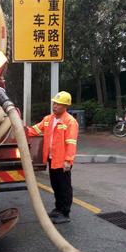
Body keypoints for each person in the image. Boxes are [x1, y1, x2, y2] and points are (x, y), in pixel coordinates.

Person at [26, 91, 79, 224]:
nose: (55, 106)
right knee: (55, 185)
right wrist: (22, 129)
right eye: (54, 103)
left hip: (63, 161)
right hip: (52, 158)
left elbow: (71, 143)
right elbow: (35, 130)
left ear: (65, 106)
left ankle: (65, 213)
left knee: (64, 187)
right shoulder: (48, 119)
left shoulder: (70, 122)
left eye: (58, 104)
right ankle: (58, 209)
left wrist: (68, 161)